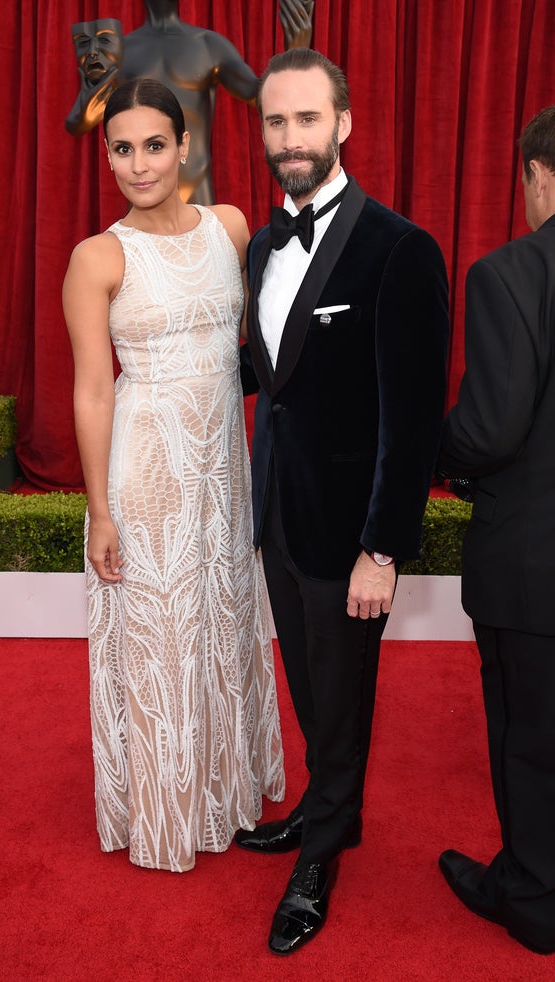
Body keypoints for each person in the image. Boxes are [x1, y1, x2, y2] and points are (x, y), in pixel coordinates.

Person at [235, 48, 449, 954]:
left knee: (345, 695)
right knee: (311, 688)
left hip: (350, 530)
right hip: (279, 511)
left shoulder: (400, 249)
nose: (291, 139)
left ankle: (321, 853)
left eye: (307, 120)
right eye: (276, 122)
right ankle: (329, 812)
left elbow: (412, 421)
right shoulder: (259, 245)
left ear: (344, 123)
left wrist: (383, 548)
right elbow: (269, 378)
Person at [62, 78, 285, 873]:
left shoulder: (230, 227)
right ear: (109, 156)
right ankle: (164, 805)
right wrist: (100, 512)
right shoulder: (97, 257)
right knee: (161, 637)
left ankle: (223, 786)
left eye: (154, 144)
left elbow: (264, 348)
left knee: (221, 617)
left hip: (223, 462)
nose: (138, 163)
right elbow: (92, 389)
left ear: (184, 146)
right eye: (121, 148)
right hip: (147, 468)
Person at [437, 106, 555, 956]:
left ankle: (533, 895)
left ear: (538, 175)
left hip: (533, 564)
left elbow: (489, 429)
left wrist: (426, 447)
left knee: (531, 736)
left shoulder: (509, 273)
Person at [65, 0, 314, 204]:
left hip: (197, 183)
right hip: (146, 186)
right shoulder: (123, 50)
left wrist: (295, 53)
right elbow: (77, 122)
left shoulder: (209, 45)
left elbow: (260, 97)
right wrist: (86, 112)